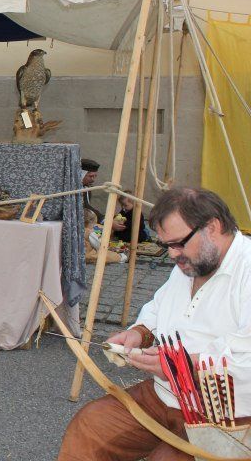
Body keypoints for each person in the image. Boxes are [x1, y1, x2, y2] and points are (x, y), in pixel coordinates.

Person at [57, 187, 251, 460]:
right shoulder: (191, 261)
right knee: (90, 428)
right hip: (165, 394)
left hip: (227, 414)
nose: (172, 254)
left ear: (213, 227)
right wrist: (139, 334)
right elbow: (159, 309)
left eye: (178, 243)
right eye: (167, 245)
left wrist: (183, 365)